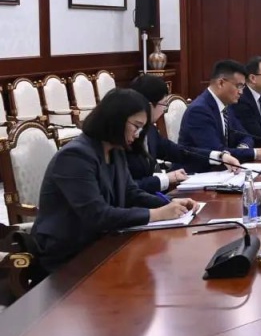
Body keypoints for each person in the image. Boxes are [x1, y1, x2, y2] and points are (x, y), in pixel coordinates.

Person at [30, 89, 198, 272]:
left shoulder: (115, 150)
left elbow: (131, 193)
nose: (137, 134)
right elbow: (97, 215)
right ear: (116, 119)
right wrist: (157, 214)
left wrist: (171, 204)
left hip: (103, 242)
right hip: (70, 253)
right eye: (136, 126)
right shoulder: (75, 156)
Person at [126, 74, 236, 193]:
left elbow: (179, 151)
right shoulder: (124, 137)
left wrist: (219, 156)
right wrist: (166, 179)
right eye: (163, 104)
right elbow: (127, 187)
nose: (164, 110)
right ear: (148, 106)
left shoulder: (150, 131)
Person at [178, 60, 261, 172]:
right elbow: (217, 152)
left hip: (224, 171)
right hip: (196, 174)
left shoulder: (225, 105)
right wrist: (257, 153)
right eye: (239, 86)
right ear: (221, 83)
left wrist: (242, 149)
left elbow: (246, 136)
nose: (241, 92)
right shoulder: (199, 111)